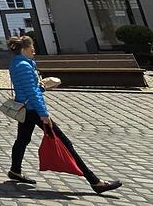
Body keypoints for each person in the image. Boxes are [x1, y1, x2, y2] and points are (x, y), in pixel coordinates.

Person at [7, 35, 121, 194]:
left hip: (26, 109)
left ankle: (15, 170)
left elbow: (28, 89)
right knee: (65, 142)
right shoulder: (24, 66)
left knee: (22, 140)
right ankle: (95, 181)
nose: (34, 50)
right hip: (33, 109)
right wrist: (44, 113)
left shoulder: (18, 63)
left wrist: (42, 86)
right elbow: (32, 93)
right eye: (32, 48)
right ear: (24, 49)